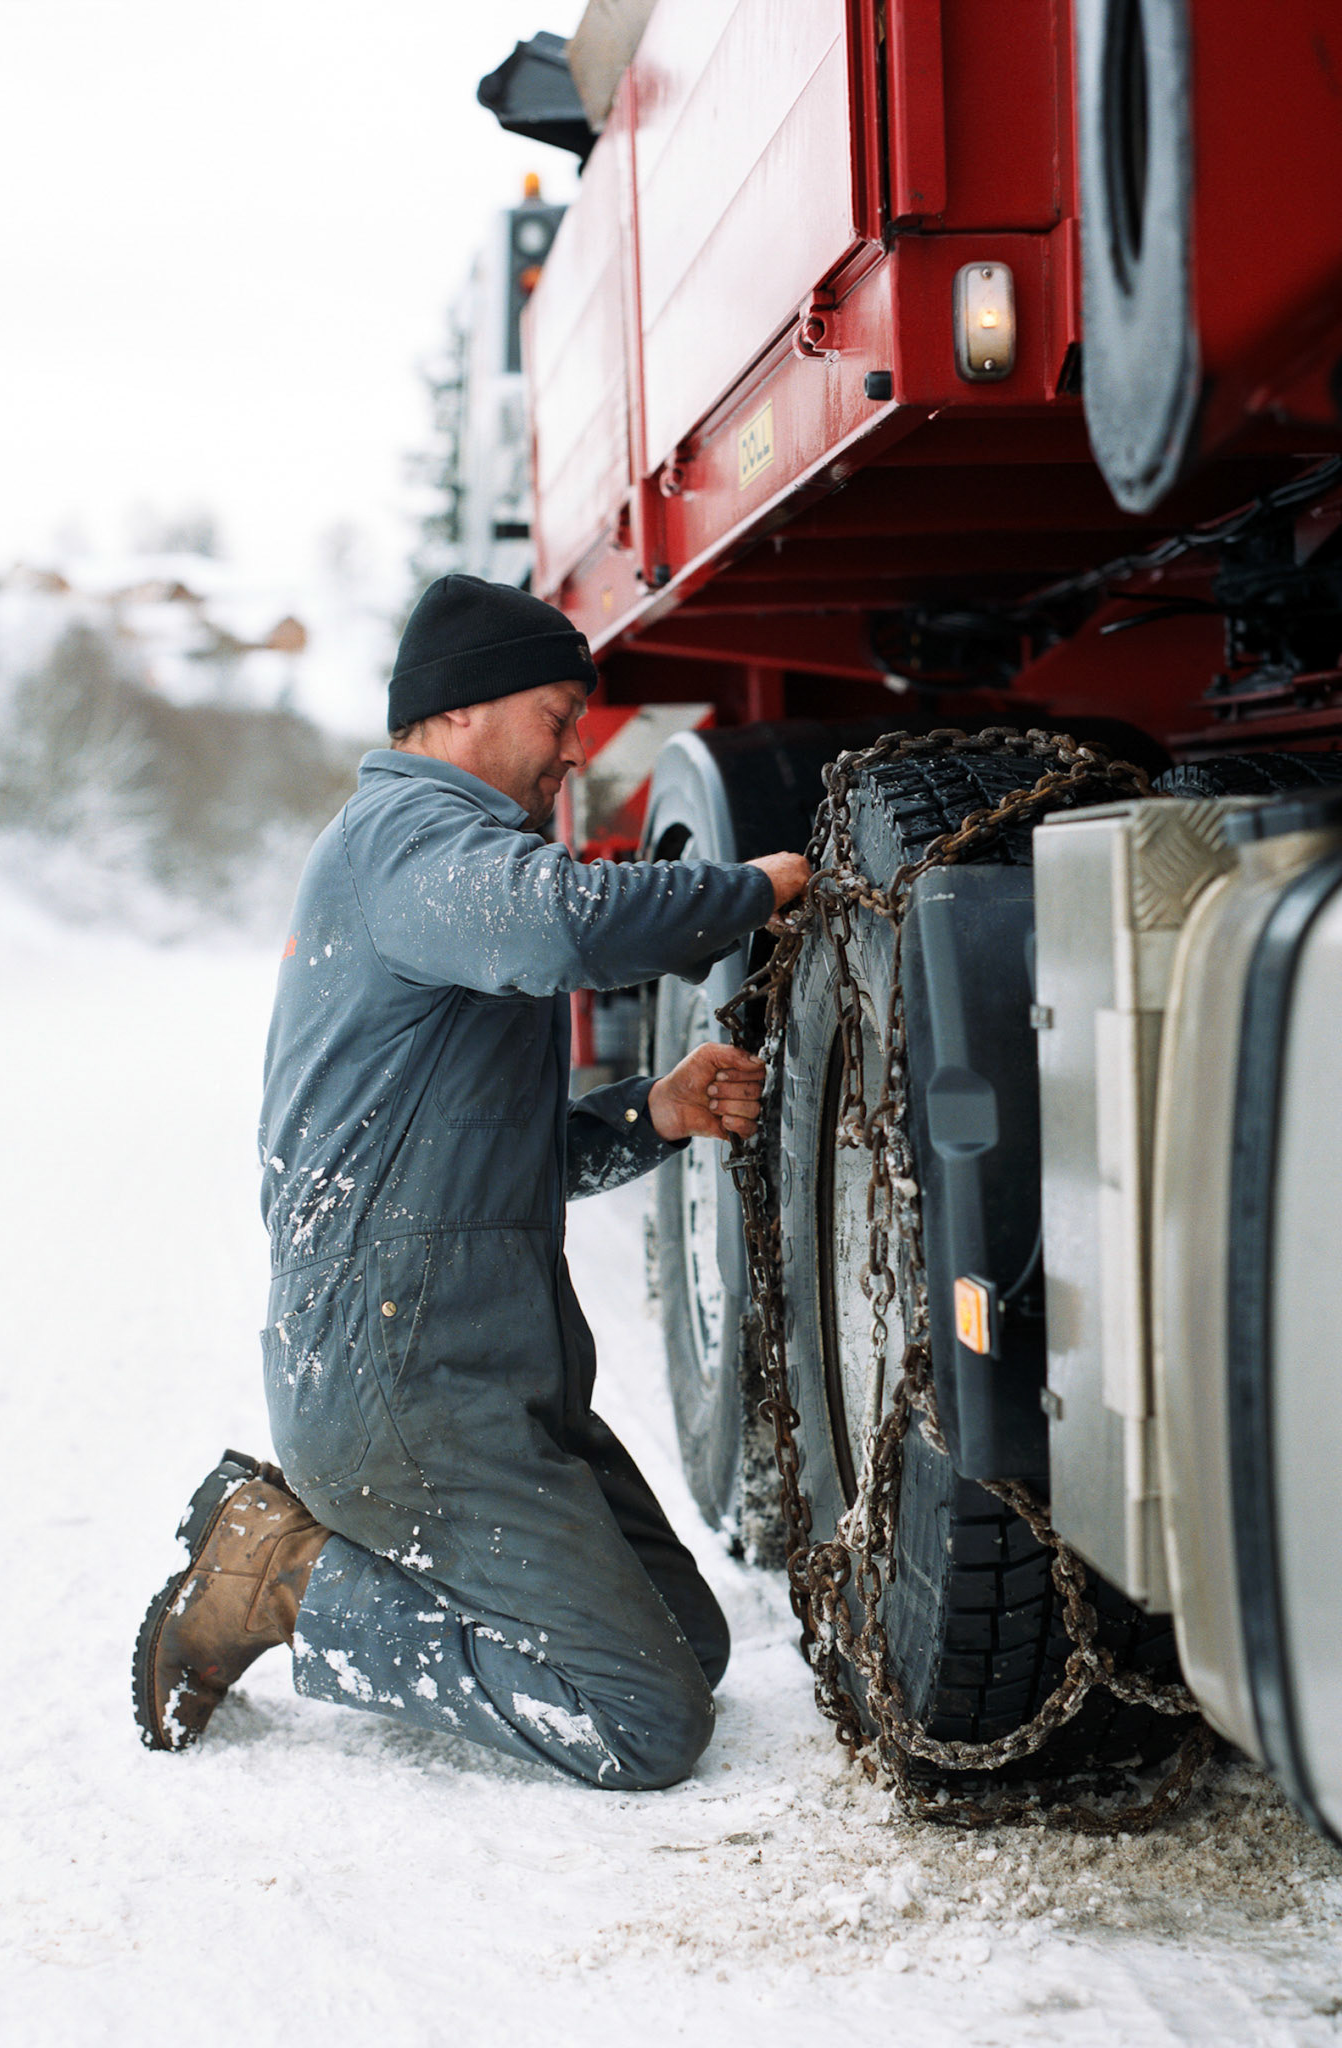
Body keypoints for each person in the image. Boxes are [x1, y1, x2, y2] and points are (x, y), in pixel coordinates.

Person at [132, 574, 811, 1789]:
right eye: (556, 715)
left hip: (484, 1370)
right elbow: (563, 924)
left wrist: (649, 1113)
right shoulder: (410, 836)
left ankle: (317, 1557)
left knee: (690, 1648)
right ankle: (281, 1572)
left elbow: (491, 1171)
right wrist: (751, 886)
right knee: (642, 1721)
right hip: (405, 1382)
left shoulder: (432, 861)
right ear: (460, 710)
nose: (570, 753)